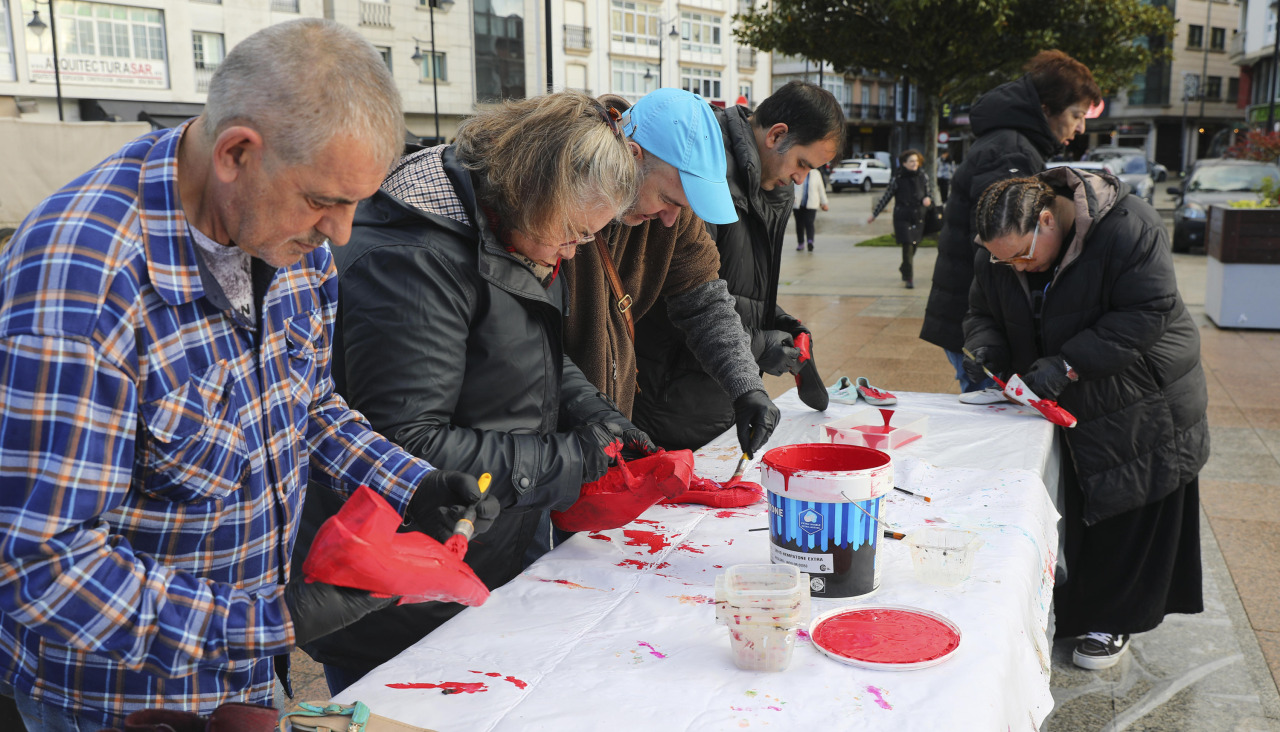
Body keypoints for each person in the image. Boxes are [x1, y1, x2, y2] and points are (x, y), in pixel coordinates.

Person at [0, 19, 496, 729]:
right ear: (236, 153)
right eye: (325, 201)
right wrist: (269, 619)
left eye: (355, 202)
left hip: (245, 666)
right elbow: (41, 566)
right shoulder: (84, 282)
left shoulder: (287, 237)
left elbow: (309, 405)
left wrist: (409, 481)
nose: (342, 233)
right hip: (116, 699)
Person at [295, 92, 647, 695]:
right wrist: (574, 458)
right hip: (406, 592)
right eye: (570, 234)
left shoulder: (510, 233)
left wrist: (594, 413)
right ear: (530, 192)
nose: (573, 252)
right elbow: (406, 444)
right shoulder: (416, 260)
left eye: (587, 239)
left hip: (492, 545)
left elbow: (528, 351)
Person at [964, 169, 1208, 670]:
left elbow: (1148, 310)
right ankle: (1070, 605)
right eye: (1000, 259)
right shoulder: (1005, 249)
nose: (1015, 268)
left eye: (1022, 256)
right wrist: (987, 348)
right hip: (1063, 391)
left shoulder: (1127, 225)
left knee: (1125, 501)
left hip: (1140, 393)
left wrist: (1067, 363)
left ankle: (1111, 618)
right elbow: (980, 311)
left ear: (1049, 220)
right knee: (1071, 505)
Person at [562, 89, 778, 461]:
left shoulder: (671, 211)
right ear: (631, 156)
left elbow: (705, 302)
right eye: (668, 199)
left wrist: (746, 386)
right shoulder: (562, 201)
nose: (670, 219)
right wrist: (593, 413)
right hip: (550, 435)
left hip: (605, 432)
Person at [632, 81, 845, 451]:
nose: (801, 178)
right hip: (666, 401)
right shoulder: (699, 170)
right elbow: (677, 297)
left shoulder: (773, 190)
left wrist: (776, 321)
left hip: (718, 393)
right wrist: (758, 345)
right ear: (777, 134)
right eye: (802, 164)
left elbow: (731, 288)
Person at [920, 49, 1101, 391]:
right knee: (997, 429)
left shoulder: (1011, 143)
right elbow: (1005, 250)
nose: (1080, 128)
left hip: (976, 320)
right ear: (1046, 108)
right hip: (984, 329)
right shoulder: (1010, 152)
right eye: (1076, 115)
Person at [867, 149, 933, 288]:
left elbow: (929, 193)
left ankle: (904, 267)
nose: (915, 164)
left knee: (915, 244)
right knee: (907, 245)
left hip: (919, 216)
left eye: (916, 161)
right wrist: (875, 214)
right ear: (904, 163)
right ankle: (909, 278)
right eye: (911, 161)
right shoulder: (897, 179)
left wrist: (928, 199)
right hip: (902, 216)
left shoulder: (923, 176)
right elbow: (886, 197)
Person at [792, 167, 829, 251]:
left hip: (812, 203)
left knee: (809, 223)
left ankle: (810, 242)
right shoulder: (797, 171)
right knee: (799, 225)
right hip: (797, 203)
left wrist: (824, 203)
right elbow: (791, 186)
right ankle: (800, 243)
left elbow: (821, 189)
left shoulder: (816, 173)